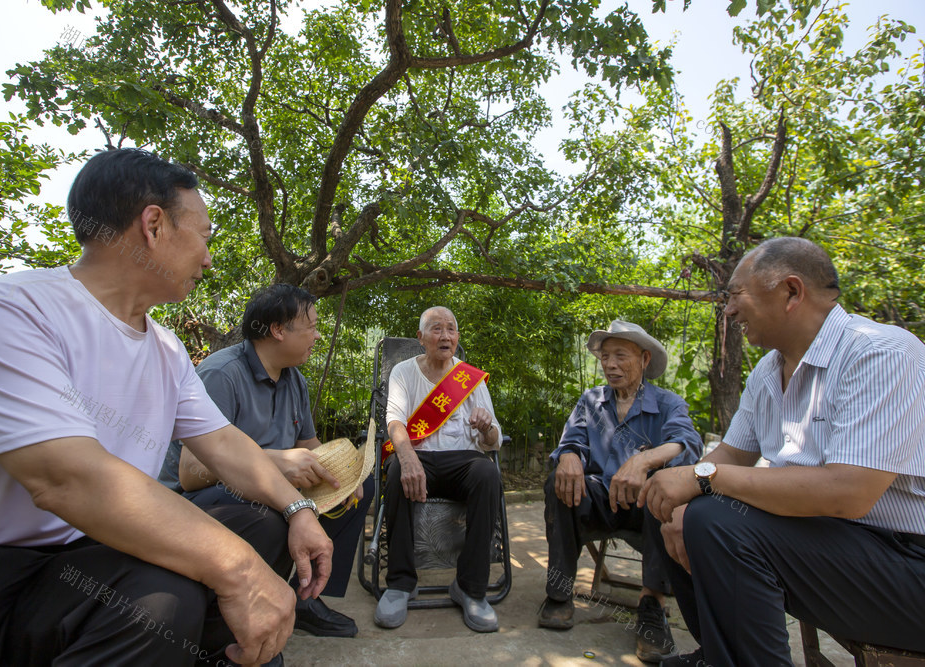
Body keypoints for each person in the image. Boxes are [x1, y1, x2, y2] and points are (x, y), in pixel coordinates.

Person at [0, 148, 333, 667]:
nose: (208, 258)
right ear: (154, 225)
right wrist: (242, 570)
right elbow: (66, 480)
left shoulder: (166, 349)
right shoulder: (1, 312)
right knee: (161, 602)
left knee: (261, 529)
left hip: (82, 555)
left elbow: (226, 444)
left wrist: (299, 511)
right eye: (204, 236)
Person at [640, 237, 925, 667]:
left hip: (906, 563)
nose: (729, 309)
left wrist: (702, 478)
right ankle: (720, 655)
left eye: (736, 294)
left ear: (791, 292)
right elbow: (733, 455)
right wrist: (682, 488)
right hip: (835, 545)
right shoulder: (768, 372)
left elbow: (849, 492)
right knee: (666, 499)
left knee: (715, 519)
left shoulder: (879, 352)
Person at [160, 283, 372, 638]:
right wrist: (274, 462)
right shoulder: (222, 374)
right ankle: (243, 613)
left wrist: (342, 477)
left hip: (270, 490)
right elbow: (191, 473)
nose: (317, 336)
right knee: (275, 516)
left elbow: (309, 444)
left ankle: (305, 596)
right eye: (312, 327)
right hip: (195, 499)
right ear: (277, 330)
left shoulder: (295, 380)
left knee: (352, 495)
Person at [539, 320, 702, 663]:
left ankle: (652, 605)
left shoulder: (668, 403)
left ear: (644, 360)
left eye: (620, 356)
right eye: (605, 356)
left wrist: (644, 462)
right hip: (599, 497)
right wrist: (568, 456)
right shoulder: (591, 400)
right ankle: (559, 594)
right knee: (558, 482)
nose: (610, 364)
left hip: (647, 504)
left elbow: (688, 444)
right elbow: (572, 442)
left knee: (668, 495)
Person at [374, 306, 503, 632]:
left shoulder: (470, 379)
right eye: (436, 329)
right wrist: (407, 459)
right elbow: (395, 421)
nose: (445, 336)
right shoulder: (402, 372)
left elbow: (494, 440)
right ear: (420, 338)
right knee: (394, 472)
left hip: (464, 463)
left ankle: (471, 589)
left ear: (457, 337)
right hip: (421, 460)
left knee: (488, 474)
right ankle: (401, 583)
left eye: (451, 329)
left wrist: (487, 427)